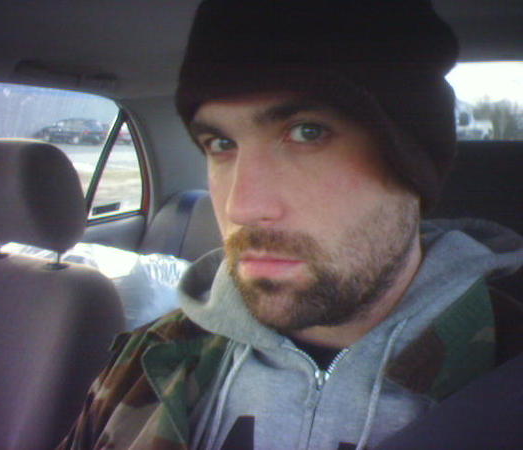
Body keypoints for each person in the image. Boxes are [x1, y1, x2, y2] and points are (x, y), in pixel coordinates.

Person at [59, 1, 523, 449]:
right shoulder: (148, 359)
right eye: (221, 143)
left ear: (414, 164)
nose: (242, 207)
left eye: (307, 132)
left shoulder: (505, 366)